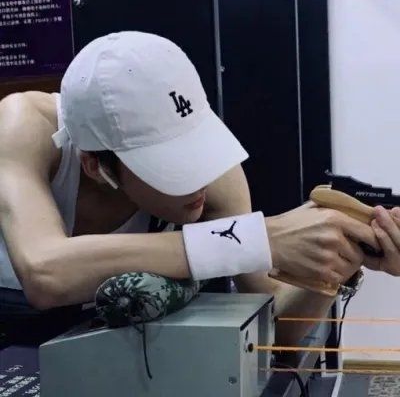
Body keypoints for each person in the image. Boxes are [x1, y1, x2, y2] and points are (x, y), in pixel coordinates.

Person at [0, 31, 397, 347]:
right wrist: (253, 238)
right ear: (95, 165)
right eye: (171, 167)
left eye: (196, 150)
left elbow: (277, 324)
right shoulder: (24, 126)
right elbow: (44, 273)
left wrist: (338, 260)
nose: (200, 179)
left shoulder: (216, 177)